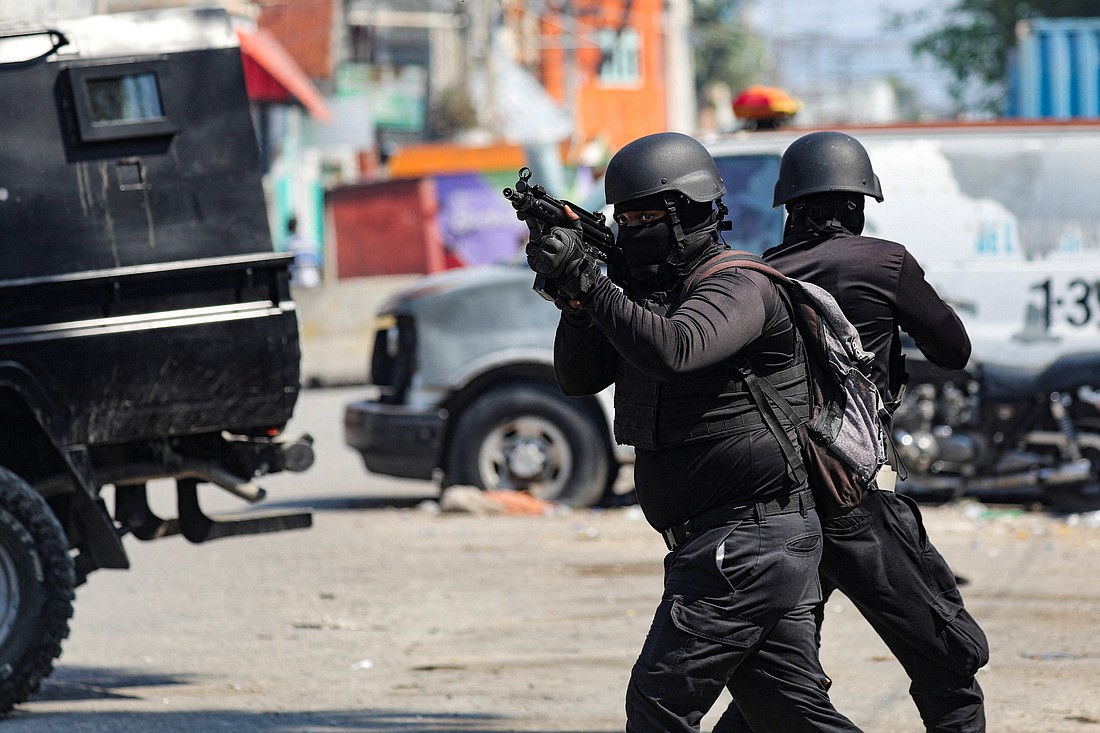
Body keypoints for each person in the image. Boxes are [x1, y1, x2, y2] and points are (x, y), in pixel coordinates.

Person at [525, 131, 862, 733]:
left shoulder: (738, 285)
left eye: (645, 217)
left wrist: (595, 282)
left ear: (692, 213)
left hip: (746, 541)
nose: (631, 231)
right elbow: (580, 378)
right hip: (732, 543)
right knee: (788, 716)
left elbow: (678, 350)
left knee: (659, 706)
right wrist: (578, 301)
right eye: (621, 220)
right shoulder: (647, 297)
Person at [714, 131, 989, 733]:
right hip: (856, 502)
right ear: (857, 205)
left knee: (778, 684)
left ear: (791, 206)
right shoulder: (884, 262)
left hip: (779, 505)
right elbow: (953, 350)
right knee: (948, 666)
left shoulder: (762, 276)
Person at [285, 215, 321, 288]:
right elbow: (319, 262)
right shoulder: (309, 240)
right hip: (312, 277)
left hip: (298, 277)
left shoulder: (289, 243)